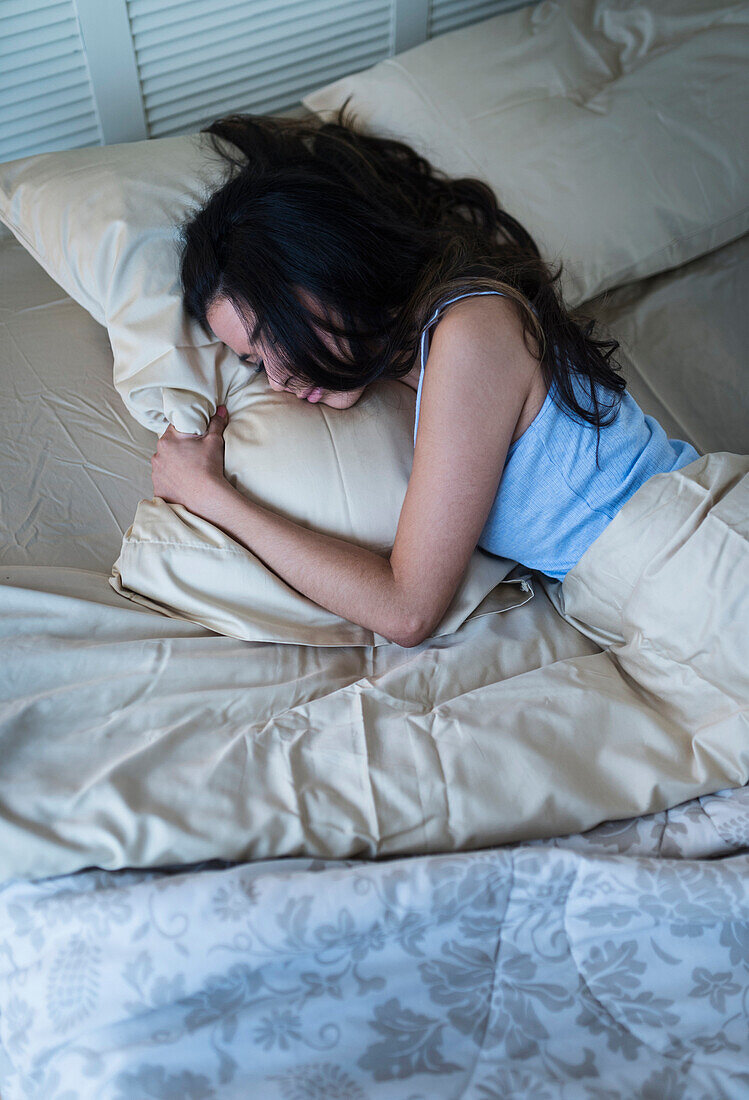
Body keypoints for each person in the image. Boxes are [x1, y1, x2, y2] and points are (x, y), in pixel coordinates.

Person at [150, 107, 709, 652]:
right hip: (665, 597)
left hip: (697, 560)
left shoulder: (471, 331)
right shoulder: (423, 357)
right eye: (251, 363)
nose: (277, 379)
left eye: (272, 335)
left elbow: (406, 610)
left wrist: (210, 495)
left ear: (323, 268)